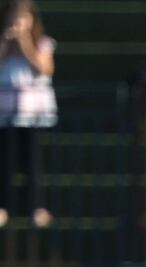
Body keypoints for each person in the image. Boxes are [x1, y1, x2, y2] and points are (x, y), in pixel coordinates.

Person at [0, 0, 55, 229]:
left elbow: (44, 68)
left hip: (32, 113)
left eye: (22, 18)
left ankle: (36, 206)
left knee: (33, 161)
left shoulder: (42, 43)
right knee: (4, 161)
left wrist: (24, 42)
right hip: (5, 112)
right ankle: (2, 207)